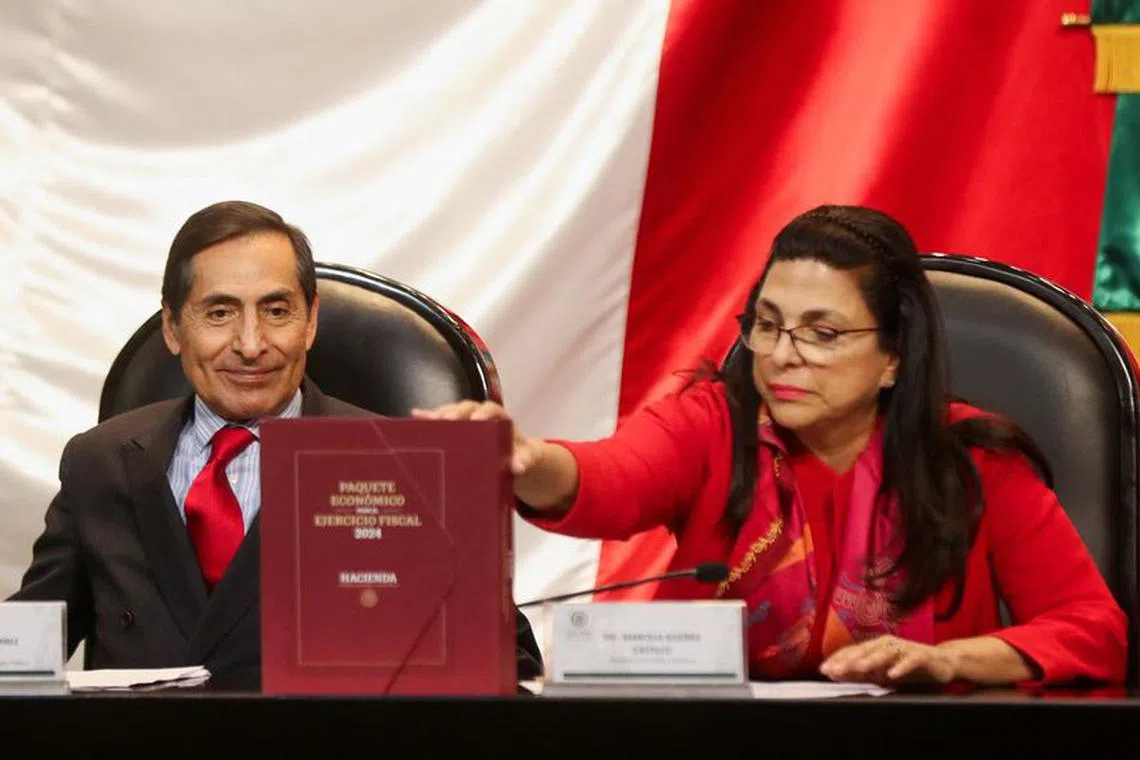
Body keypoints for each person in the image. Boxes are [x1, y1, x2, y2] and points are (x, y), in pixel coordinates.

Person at [415, 205, 1127, 686]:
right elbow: (608, 480)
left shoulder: (971, 461)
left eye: (822, 333)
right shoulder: (713, 424)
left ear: (893, 358)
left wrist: (954, 661)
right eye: (768, 324)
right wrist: (532, 461)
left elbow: (1094, 627)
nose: (783, 355)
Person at [9, 200, 542, 685]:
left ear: (310, 322)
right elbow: (25, 647)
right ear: (173, 328)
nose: (250, 344)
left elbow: (508, 666)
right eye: (219, 313)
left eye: (276, 311)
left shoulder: (402, 463)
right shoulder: (98, 461)